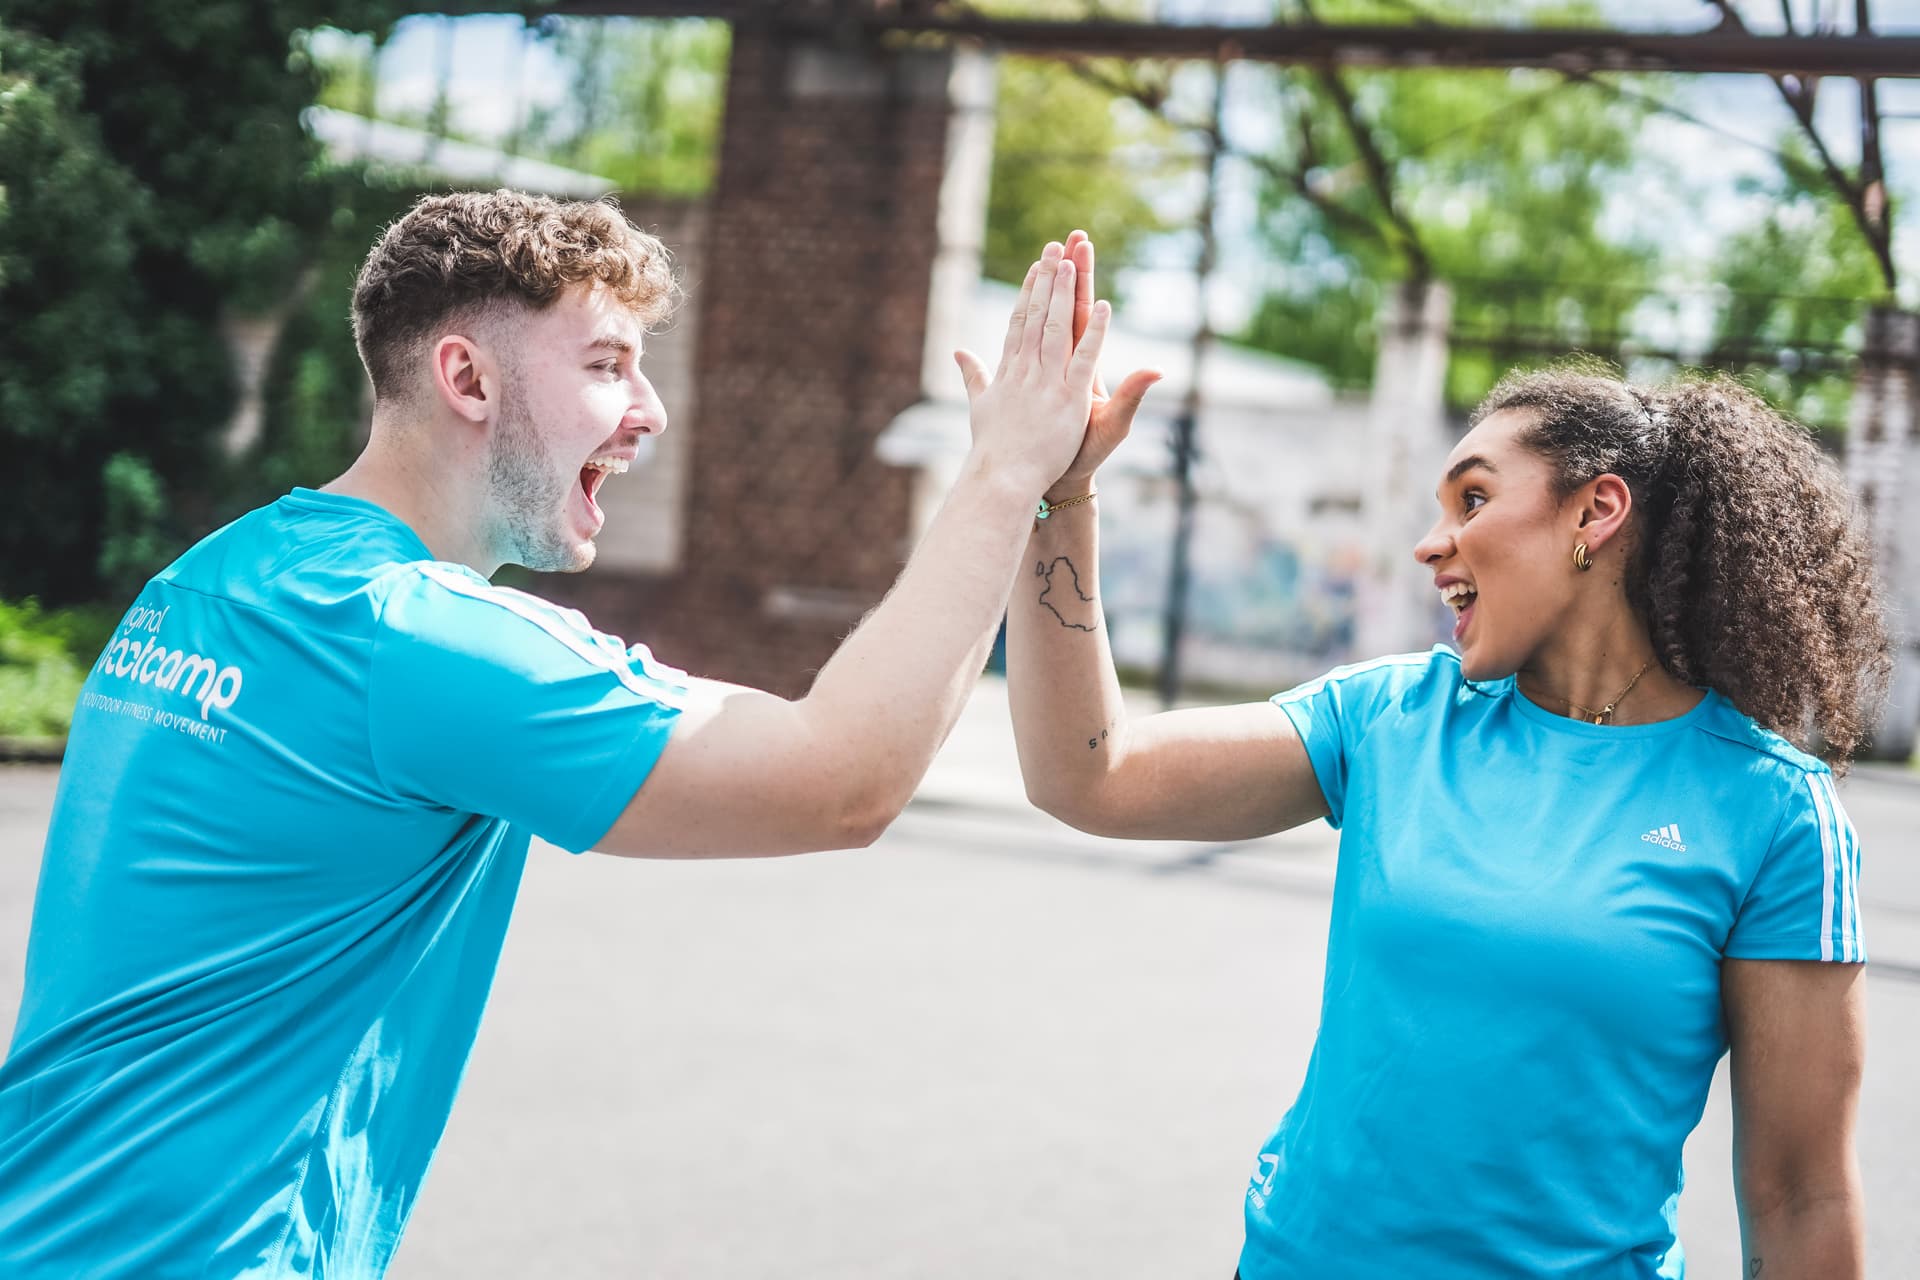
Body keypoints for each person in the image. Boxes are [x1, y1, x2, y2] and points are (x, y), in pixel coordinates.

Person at [0, 191, 1112, 1278]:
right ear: (467, 378)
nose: (649, 409)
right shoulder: (416, 638)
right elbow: (844, 781)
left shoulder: (208, 580)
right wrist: (1013, 474)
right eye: (604, 364)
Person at [1010, 234, 1886, 1279]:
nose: (1432, 542)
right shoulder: (1390, 719)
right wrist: (1057, 496)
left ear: (1595, 514)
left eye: (1472, 498)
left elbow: (1801, 1193)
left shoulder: (1773, 812)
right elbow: (1088, 772)